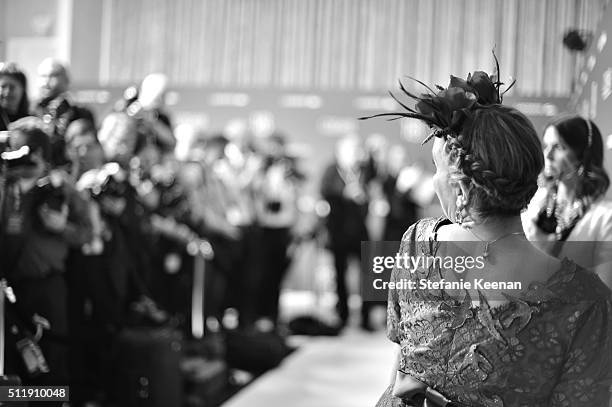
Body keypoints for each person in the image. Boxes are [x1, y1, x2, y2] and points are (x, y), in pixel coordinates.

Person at [365, 66, 612, 406]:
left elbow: (399, 376)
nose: (435, 184)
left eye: (437, 171)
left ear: (462, 187)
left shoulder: (418, 244)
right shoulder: (587, 301)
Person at [523, 115, 612, 289]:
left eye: (558, 147)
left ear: (582, 155)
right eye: (546, 146)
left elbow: (605, 290)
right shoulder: (535, 202)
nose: (547, 154)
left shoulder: (604, 218)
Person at [320, 134, 371, 329]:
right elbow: (324, 192)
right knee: (339, 274)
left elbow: (373, 191)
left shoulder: (363, 171)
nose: (355, 154)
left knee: (366, 275)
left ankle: (365, 317)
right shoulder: (331, 170)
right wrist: (344, 193)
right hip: (338, 231)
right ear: (341, 152)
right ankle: (342, 315)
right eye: (351, 150)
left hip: (359, 230)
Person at [33, 58, 95, 166]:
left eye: (53, 76)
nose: (46, 82)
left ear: (66, 80)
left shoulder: (81, 113)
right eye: (43, 76)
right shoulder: (30, 112)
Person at [0, 62, 30, 131]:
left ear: (22, 89)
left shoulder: (30, 120)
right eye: (3, 86)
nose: (7, 92)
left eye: (12, 87)